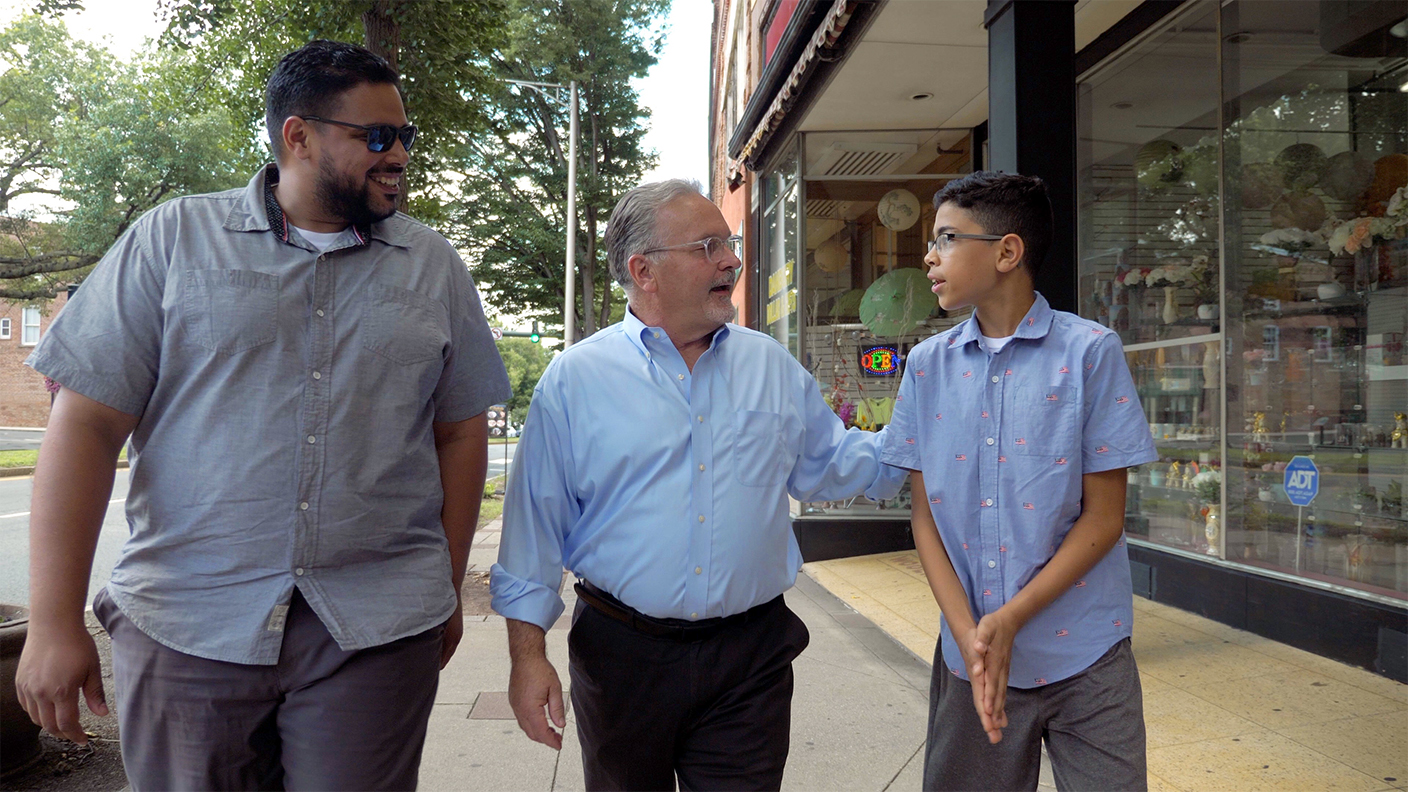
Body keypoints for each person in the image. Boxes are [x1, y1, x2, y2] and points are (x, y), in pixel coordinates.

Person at [16, 40, 510, 791]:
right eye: (377, 136)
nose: (399, 154)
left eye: (405, 136)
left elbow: (458, 430)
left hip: (374, 634)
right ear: (298, 136)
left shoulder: (434, 265)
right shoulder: (171, 241)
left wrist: (442, 586)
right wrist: (54, 622)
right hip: (187, 626)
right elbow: (84, 426)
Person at [491, 179, 906, 791]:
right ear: (644, 270)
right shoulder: (575, 380)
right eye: (708, 246)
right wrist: (526, 659)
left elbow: (837, 463)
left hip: (750, 657)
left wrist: (930, 438)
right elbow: (532, 534)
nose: (732, 261)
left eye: (729, 243)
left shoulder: (769, 366)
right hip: (622, 655)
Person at [880, 171, 1157, 791]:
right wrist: (970, 638)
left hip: (1087, 655)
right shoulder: (926, 367)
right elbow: (924, 517)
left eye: (947, 238)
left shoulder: (1090, 352)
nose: (929, 256)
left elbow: (1104, 517)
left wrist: (1008, 621)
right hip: (969, 656)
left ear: (1007, 251)